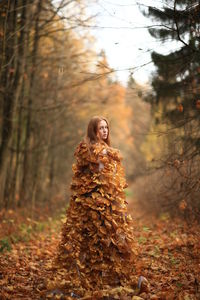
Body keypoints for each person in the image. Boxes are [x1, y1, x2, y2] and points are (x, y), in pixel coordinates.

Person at [46, 116, 139, 299]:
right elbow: (84, 178)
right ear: (92, 130)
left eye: (106, 127)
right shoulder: (87, 150)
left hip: (109, 204)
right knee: (90, 243)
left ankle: (107, 280)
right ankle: (88, 281)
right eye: (100, 128)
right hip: (90, 205)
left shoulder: (109, 152)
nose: (104, 131)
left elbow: (113, 179)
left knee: (110, 242)